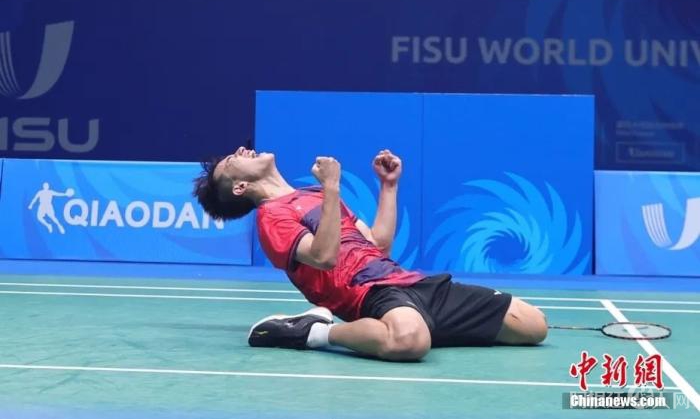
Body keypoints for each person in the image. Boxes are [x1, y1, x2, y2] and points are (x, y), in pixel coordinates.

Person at [193, 146, 547, 361]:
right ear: (240, 187)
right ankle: (314, 332)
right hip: (367, 293)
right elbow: (324, 257)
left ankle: (412, 324)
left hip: (409, 282)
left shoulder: (315, 194)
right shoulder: (272, 217)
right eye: (232, 160)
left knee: (532, 325)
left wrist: (388, 186)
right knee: (409, 342)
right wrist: (333, 187)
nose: (242, 150)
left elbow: (377, 244)